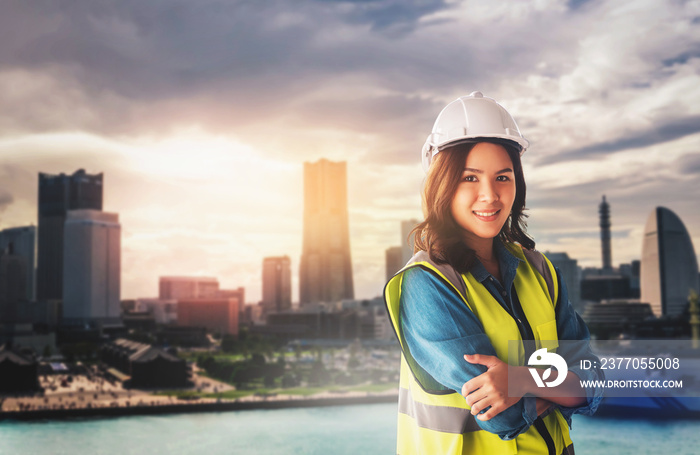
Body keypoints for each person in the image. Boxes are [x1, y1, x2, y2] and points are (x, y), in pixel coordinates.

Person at [384, 92, 603, 455]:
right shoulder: (427, 284)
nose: (491, 195)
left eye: (503, 177)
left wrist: (518, 379)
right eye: (470, 178)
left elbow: (595, 381)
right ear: (442, 184)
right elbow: (504, 415)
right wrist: (561, 386)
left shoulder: (540, 270)